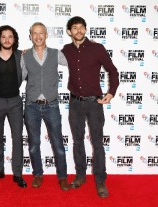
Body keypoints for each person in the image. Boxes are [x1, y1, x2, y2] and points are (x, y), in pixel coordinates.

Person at [61, 16, 119, 198]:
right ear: (69, 31)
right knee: (77, 141)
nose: (78, 31)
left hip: (95, 103)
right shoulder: (66, 50)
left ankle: (100, 180)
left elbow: (113, 70)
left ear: (85, 29)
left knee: (97, 142)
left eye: (81, 27)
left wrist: (111, 92)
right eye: (75, 28)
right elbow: (45, 57)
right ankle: (80, 176)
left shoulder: (97, 48)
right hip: (75, 103)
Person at [21, 22, 70, 191]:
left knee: (58, 143)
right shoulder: (25, 56)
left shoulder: (57, 54)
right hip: (31, 106)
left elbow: (75, 59)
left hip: (52, 105)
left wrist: (87, 46)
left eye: (41, 33)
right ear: (30, 36)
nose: (38, 36)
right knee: (34, 144)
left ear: (46, 35)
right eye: (34, 33)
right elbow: (19, 77)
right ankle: (38, 174)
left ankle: (63, 177)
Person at [0, 25, 27, 188]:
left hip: (15, 102)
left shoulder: (21, 55)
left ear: (14, 39)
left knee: (17, 138)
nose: (7, 39)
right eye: (4, 37)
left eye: (10, 36)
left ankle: (17, 174)